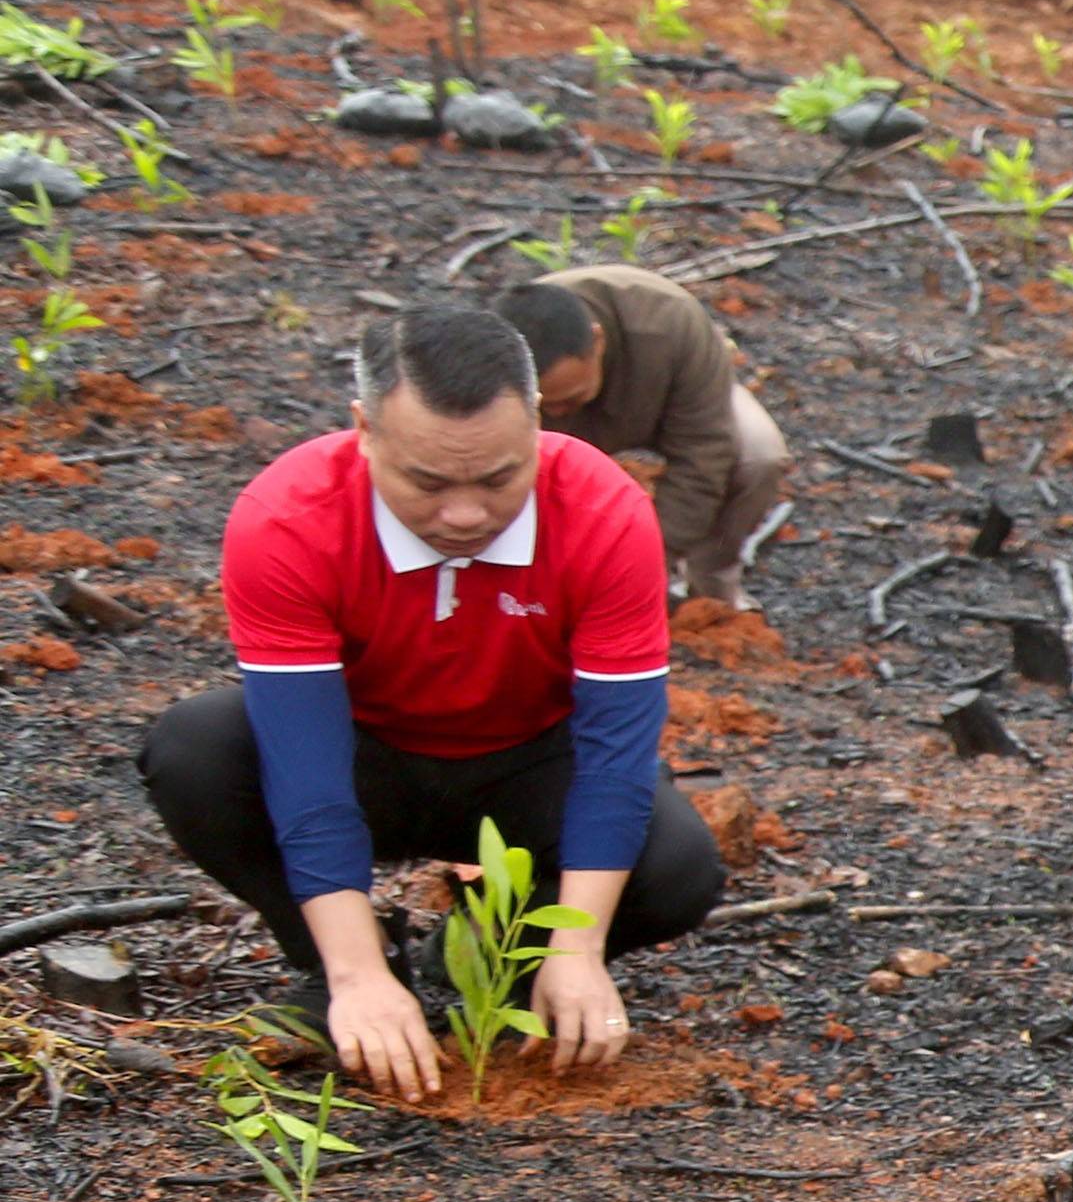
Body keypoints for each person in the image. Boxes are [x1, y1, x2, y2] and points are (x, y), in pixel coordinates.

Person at [135, 300, 722, 1095]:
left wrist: (577, 949)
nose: (465, 514)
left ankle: (493, 959)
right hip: (366, 755)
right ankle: (343, 965)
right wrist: (355, 975)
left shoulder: (605, 512)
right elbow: (304, 768)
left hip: (530, 762)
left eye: (498, 477)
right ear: (364, 430)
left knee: (678, 866)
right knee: (196, 751)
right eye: (427, 481)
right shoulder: (288, 519)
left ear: (538, 423)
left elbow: (615, 754)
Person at [494, 267, 792, 609]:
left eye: (569, 399)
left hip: (673, 408)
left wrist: (645, 560)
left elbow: (703, 456)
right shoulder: (498, 349)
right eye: (547, 404)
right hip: (541, 437)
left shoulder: (670, 323)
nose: (558, 413)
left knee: (758, 456)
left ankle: (710, 585)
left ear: (598, 341)